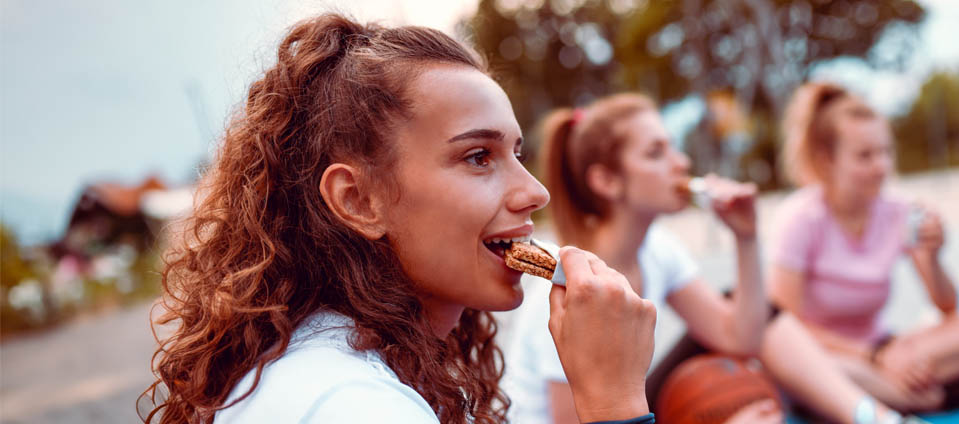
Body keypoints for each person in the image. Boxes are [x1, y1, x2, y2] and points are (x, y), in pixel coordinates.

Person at [140, 14, 658, 424]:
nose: (536, 192)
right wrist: (613, 402)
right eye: (479, 156)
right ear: (359, 200)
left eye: (517, 154)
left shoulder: (366, 366)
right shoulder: (350, 405)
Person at [506, 93, 926, 424]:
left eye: (673, 147)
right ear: (606, 180)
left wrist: (746, 238)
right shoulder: (567, 286)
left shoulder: (658, 248)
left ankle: (874, 413)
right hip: (600, 416)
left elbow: (742, 338)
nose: (682, 163)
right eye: (656, 153)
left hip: (622, 406)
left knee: (751, 316)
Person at [769, 82, 959, 413]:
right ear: (827, 160)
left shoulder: (901, 212)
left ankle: (876, 396)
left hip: (888, 348)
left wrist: (934, 257)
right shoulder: (799, 219)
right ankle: (930, 397)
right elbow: (783, 327)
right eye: (865, 156)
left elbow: (948, 306)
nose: (882, 165)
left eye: (885, 152)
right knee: (819, 370)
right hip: (827, 354)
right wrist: (874, 357)